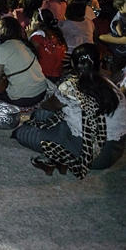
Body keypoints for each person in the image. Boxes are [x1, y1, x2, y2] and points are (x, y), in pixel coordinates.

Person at [13, 44, 126, 178]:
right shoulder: (112, 87)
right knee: (47, 115)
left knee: (22, 132)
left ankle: (59, 155)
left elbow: (49, 106)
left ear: (72, 63)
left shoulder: (70, 85)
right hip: (114, 151)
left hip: (86, 151)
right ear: (99, 64)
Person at [0, 17, 48, 107]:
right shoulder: (23, 43)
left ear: (3, 30)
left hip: (24, 98)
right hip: (41, 91)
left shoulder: (4, 47)